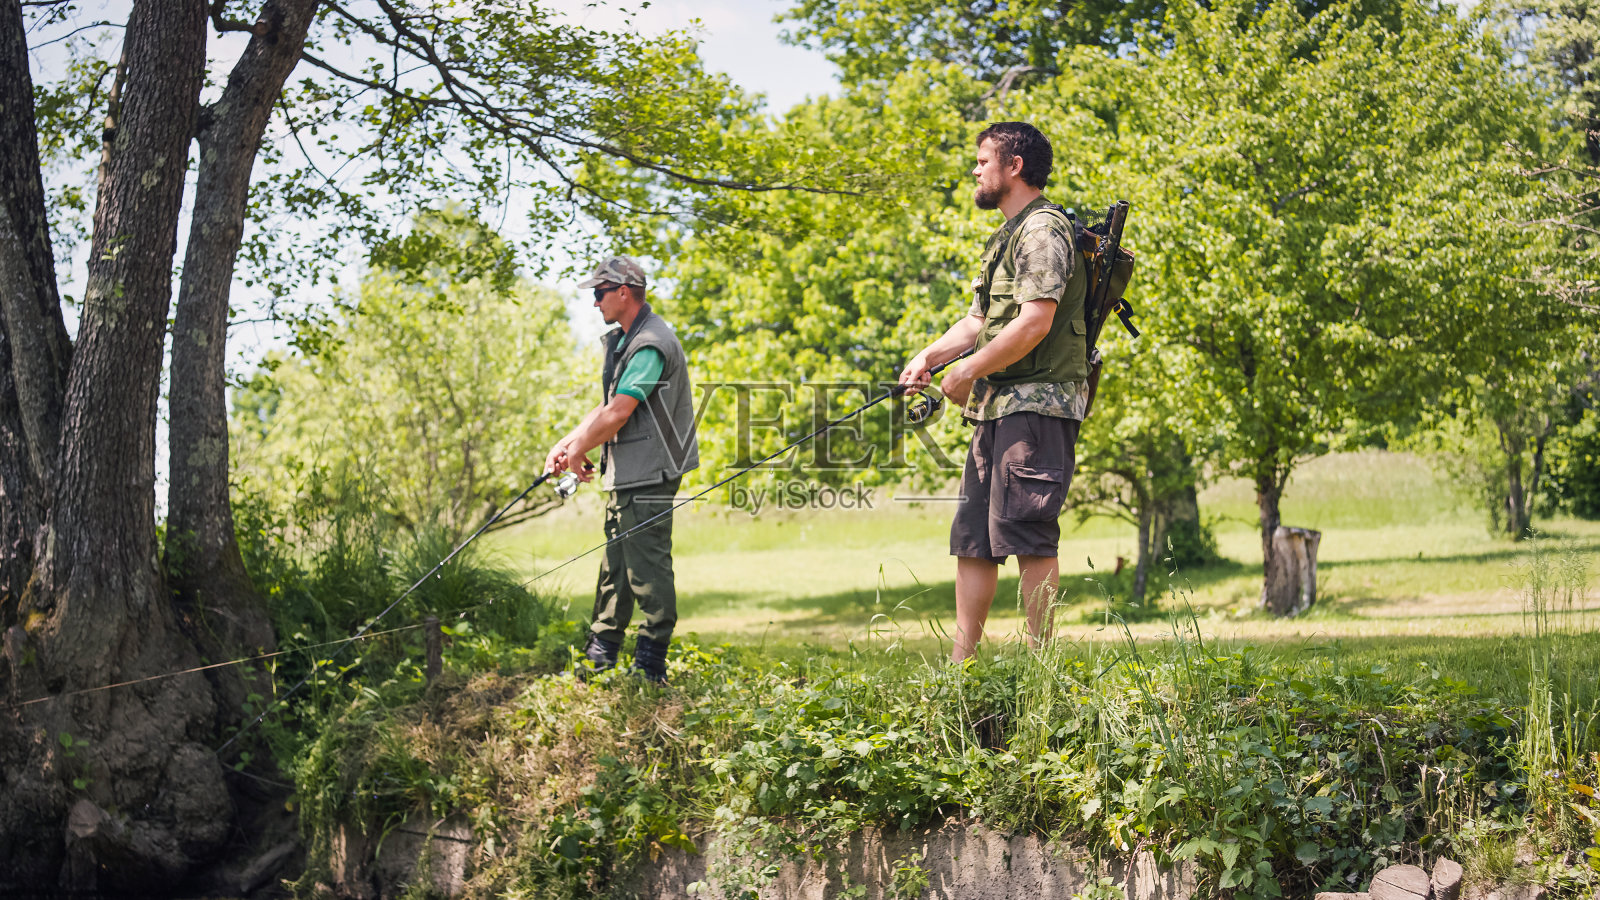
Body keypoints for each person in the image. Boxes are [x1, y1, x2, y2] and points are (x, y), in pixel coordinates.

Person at [899, 122, 1089, 663]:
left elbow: (1034, 323)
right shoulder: (1007, 234)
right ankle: (963, 665)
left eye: (984, 160)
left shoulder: (1044, 230)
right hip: (998, 408)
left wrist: (966, 373)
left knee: (1028, 532)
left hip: (1038, 403)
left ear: (1015, 167)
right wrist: (931, 359)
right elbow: (979, 320)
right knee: (974, 538)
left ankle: (1041, 667)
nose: (975, 170)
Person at [545, 255, 700, 682]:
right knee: (616, 565)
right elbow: (607, 405)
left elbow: (619, 413)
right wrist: (568, 443)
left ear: (624, 292)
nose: (595, 303)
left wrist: (578, 451)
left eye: (599, 293)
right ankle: (601, 658)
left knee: (646, 568)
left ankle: (651, 667)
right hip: (630, 471)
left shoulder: (651, 342)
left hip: (650, 471)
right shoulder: (628, 340)